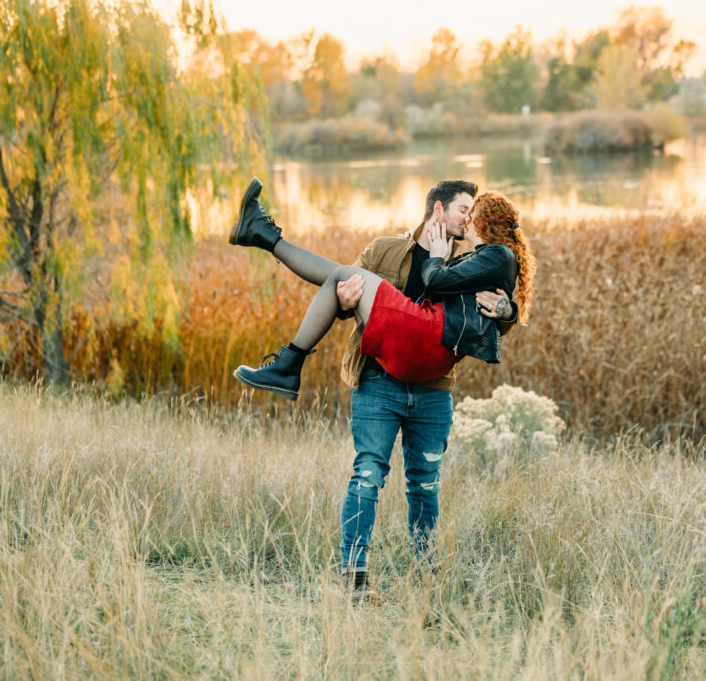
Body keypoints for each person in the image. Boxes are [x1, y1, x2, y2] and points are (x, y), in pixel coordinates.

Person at [228, 178, 536, 599]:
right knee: (367, 475)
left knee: (425, 484)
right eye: (463, 209)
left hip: (431, 386)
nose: (468, 217)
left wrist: (509, 309)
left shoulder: (468, 257)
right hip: (379, 380)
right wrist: (348, 300)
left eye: (473, 211)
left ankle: (426, 580)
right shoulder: (385, 250)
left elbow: (496, 309)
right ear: (438, 211)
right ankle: (355, 580)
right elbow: (335, 297)